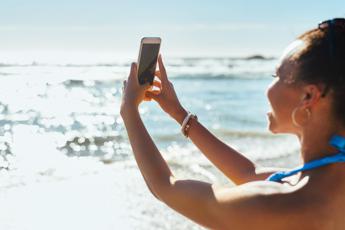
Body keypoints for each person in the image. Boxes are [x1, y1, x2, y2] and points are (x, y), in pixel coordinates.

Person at [120, 18, 345, 229]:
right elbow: (248, 173)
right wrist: (178, 112)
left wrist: (129, 109)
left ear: (308, 96)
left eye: (276, 76)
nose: (268, 88)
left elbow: (165, 188)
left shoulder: (283, 204)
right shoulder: (326, 178)